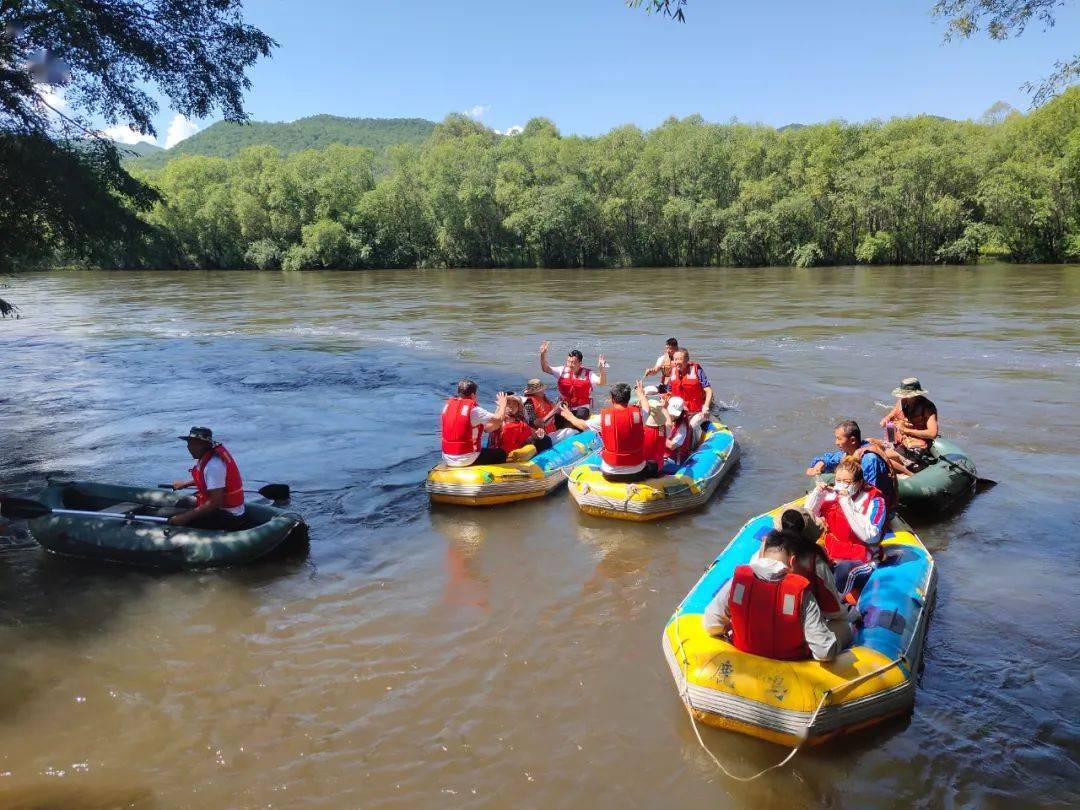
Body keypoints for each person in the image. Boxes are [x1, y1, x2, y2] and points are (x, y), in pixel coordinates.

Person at [703, 528, 840, 662]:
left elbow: (711, 624)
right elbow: (824, 652)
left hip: (743, 659)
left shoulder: (738, 582)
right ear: (792, 561)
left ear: (762, 554)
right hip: (789, 665)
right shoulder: (802, 593)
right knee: (843, 629)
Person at [775, 509, 858, 650]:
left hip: (770, 624)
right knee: (847, 624)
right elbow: (833, 611)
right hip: (799, 633)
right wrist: (853, 614)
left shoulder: (766, 554)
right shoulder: (815, 563)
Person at [806, 457, 887, 597]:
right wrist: (817, 495)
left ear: (859, 483)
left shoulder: (875, 501)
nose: (841, 485)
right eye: (838, 480)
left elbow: (870, 536)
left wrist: (846, 503)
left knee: (844, 569)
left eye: (847, 482)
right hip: (832, 555)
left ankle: (838, 606)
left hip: (862, 559)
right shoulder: (830, 496)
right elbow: (807, 519)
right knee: (806, 561)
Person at [805, 419, 896, 511]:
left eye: (839, 439)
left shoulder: (869, 459)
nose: (836, 442)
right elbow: (829, 458)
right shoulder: (848, 452)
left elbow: (871, 490)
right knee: (823, 479)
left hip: (877, 503)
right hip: (855, 493)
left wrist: (841, 495)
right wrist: (820, 463)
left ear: (852, 440)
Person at [169, 427, 248, 530]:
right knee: (182, 503)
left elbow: (215, 503)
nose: (189, 447)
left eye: (194, 444)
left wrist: (185, 517)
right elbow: (209, 480)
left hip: (228, 514)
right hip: (220, 508)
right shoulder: (207, 457)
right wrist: (185, 484)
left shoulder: (213, 466)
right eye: (189, 443)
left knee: (165, 514)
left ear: (206, 445)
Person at [877, 378, 939, 474]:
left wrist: (906, 430)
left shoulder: (928, 407)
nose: (905, 397)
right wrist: (886, 419)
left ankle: (909, 472)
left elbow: (932, 433)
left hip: (914, 446)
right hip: (897, 440)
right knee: (869, 441)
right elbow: (892, 414)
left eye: (908, 395)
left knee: (881, 456)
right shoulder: (902, 401)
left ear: (916, 394)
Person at [598, 382, 656, 483]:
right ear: (628, 398)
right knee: (654, 464)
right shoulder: (638, 415)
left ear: (612, 399)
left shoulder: (603, 418)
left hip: (609, 474)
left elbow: (582, 425)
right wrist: (641, 394)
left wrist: (568, 415)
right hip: (636, 473)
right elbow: (647, 408)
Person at [440, 380, 509, 467]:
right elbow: (498, 419)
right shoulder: (474, 410)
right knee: (501, 454)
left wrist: (498, 408)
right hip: (466, 458)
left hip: (447, 457)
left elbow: (487, 428)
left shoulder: (447, 406)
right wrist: (503, 404)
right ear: (473, 395)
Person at [538, 340, 607, 422]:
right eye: (568, 362)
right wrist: (542, 355)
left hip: (581, 407)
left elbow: (602, 383)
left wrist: (601, 370)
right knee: (558, 420)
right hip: (565, 405)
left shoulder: (589, 374)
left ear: (580, 363)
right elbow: (545, 369)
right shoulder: (561, 371)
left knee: (580, 416)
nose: (570, 365)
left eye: (573, 362)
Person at [666, 348, 713, 433]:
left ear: (687, 359)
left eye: (680, 359)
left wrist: (706, 407)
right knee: (668, 427)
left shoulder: (696, 370)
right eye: (675, 359)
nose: (677, 362)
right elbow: (668, 393)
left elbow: (709, 391)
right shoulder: (673, 371)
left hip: (696, 411)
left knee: (689, 428)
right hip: (678, 412)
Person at [664, 396, 696, 465]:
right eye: (671, 413)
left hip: (673, 460)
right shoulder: (663, 415)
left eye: (675, 414)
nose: (673, 416)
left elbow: (672, 446)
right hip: (662, 453)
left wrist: (659, 437)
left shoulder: (682, 427)